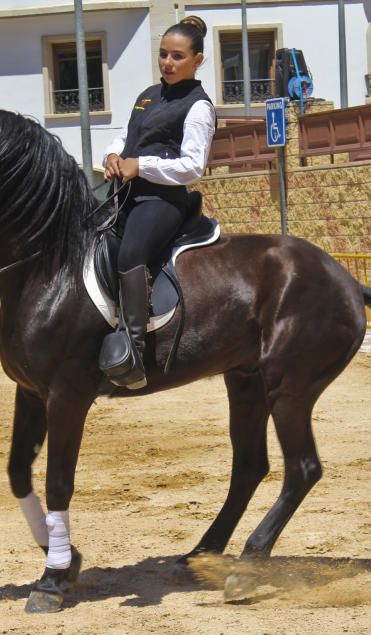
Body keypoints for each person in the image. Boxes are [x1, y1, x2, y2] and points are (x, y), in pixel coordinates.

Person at [100, 15, 215, 389]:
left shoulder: (198, 106)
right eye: (163, 54)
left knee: (130, 253)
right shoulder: (147, 96)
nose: (167, 62)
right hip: (126, 193)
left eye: (177, 56)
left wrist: (141, 165)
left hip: (162, 200)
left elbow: (192, 167)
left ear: (197, 60)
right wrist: (114, 156)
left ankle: (132, 351)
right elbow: (125, 135)